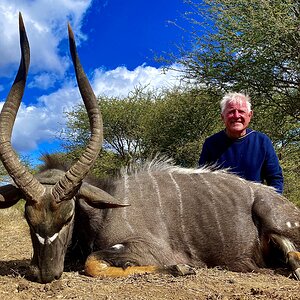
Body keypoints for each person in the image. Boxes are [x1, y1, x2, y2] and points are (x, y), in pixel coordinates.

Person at [198, 92, 283, 194]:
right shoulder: (211, 143)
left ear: (250, 115)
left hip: (254, 204)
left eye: (241, 111)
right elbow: (202, 181)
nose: (236, 116)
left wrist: (271, 206)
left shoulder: (262, 141)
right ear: (222, 117)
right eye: (231, 112)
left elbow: (275, 179)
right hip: (221, 206)